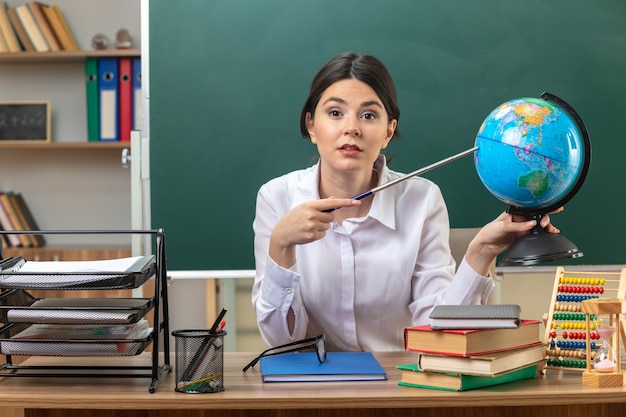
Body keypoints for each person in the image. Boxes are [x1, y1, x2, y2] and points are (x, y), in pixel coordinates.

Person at [251, 52, 560, 352]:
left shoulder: (422, 199)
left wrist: (482, 252)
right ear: (311, 126)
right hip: (310, 392)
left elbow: (437, 331)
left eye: (369, 115)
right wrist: (280, 246)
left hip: (398, 386)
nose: (351, 128)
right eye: (335, 113)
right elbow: (283, 344)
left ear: (388, 131)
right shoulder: (277, 198)